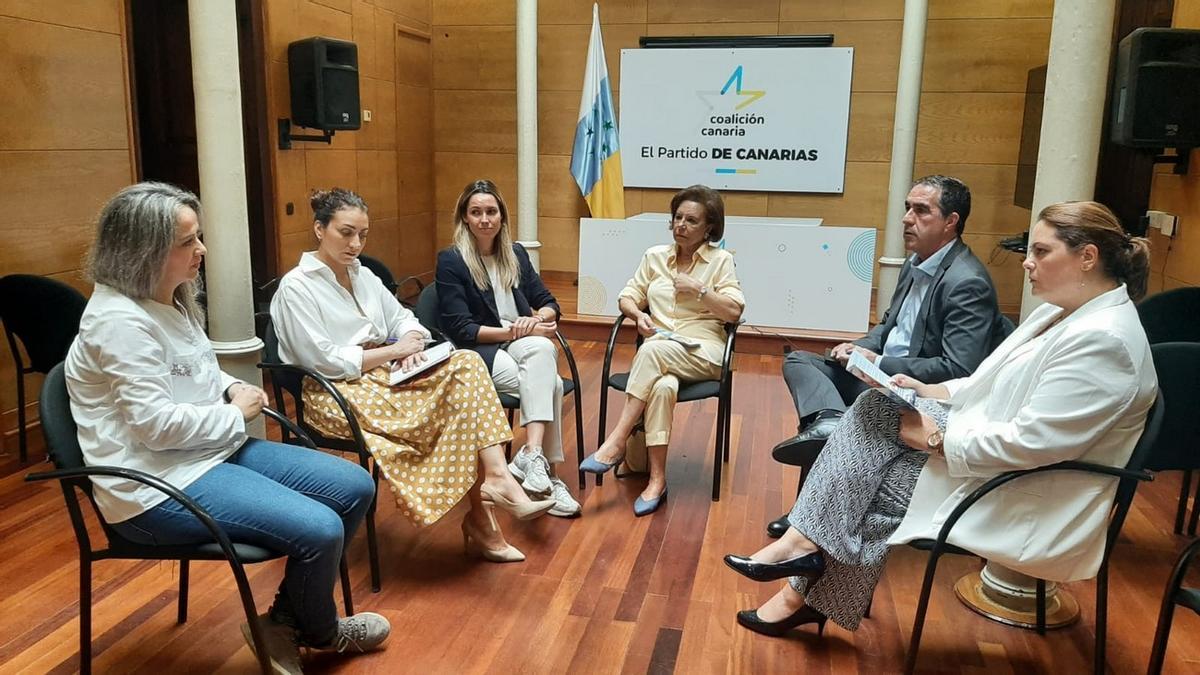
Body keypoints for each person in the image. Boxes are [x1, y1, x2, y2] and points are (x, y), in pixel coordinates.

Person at [723, 201, 1157, 640]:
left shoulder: (1106, 342)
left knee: (861, 489)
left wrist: (937, 440)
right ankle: (802, 553)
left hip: (1028, 487)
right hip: (994, 453)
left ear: (1087, 257)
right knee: (874, 408)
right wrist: (935, 392)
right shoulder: (1062, 311)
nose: (1026, 262)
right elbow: (989, 381)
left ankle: (800, 575)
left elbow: (1034, 443)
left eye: (1041, 252)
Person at [64, 182, 389, 674]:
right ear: (143, 250)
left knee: (354, 485)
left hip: (205, 453)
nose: (202, 250)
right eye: (187, 242)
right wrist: (234, 412)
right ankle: (320, 630)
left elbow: (194, 368)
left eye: (199, 237)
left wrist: (229, 389)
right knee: (320, 529)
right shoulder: (118, 323)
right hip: (155, 486)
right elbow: (156, 429)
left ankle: (283, 621)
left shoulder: (167, 298)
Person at [270, 188, 555, 565]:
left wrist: (408, 338)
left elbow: (408, 319)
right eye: (346, 232)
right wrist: (392, 351)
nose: (356, 244)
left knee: (466, 364)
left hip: (386, 374)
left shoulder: (364, 275)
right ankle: (483, 520)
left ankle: (498, 478)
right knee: (459, 410)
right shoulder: (297, 287)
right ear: (319, 229)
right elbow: (324, 361)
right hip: (335, 392)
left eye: (363, 235)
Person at [765, 175, 1009, 538]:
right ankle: (829, 424)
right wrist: (859, 347)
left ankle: (809, 508)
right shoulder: (915, 262)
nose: (908, 218)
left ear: (951, 221)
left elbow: (959, 368)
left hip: (912, 390)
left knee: (843, 415)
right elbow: (889, 327)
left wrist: (879, 364)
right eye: (908, 208)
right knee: (801, 360)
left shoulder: (966, 281)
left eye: (921, 210)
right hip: (878, 372)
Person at [579, 185, 745, 516]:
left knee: (653, 352)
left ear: (709, 227)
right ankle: (656, 480)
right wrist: (638, 314)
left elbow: (734, 313)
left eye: (691, 220)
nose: (681, 225)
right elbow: (627, 295)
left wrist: (700, 290)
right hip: (662, 354)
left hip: (705, 351)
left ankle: (616, 441)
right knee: (663, 386)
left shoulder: (720, 260)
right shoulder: (654, 256)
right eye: (677, 218)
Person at [436, 179, 581, 517]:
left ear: (502, 216)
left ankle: (531, 458)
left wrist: (540, 319)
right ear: (465, 219)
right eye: (476, 212)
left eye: (491, 211)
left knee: (543, 353)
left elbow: (547, 301)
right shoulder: (452, 260)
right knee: (553, 385)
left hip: (518, 340)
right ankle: (549, 476)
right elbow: (462, 329)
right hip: (478, 351)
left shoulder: (514, 253)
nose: (485, 219)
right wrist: (515, 330)